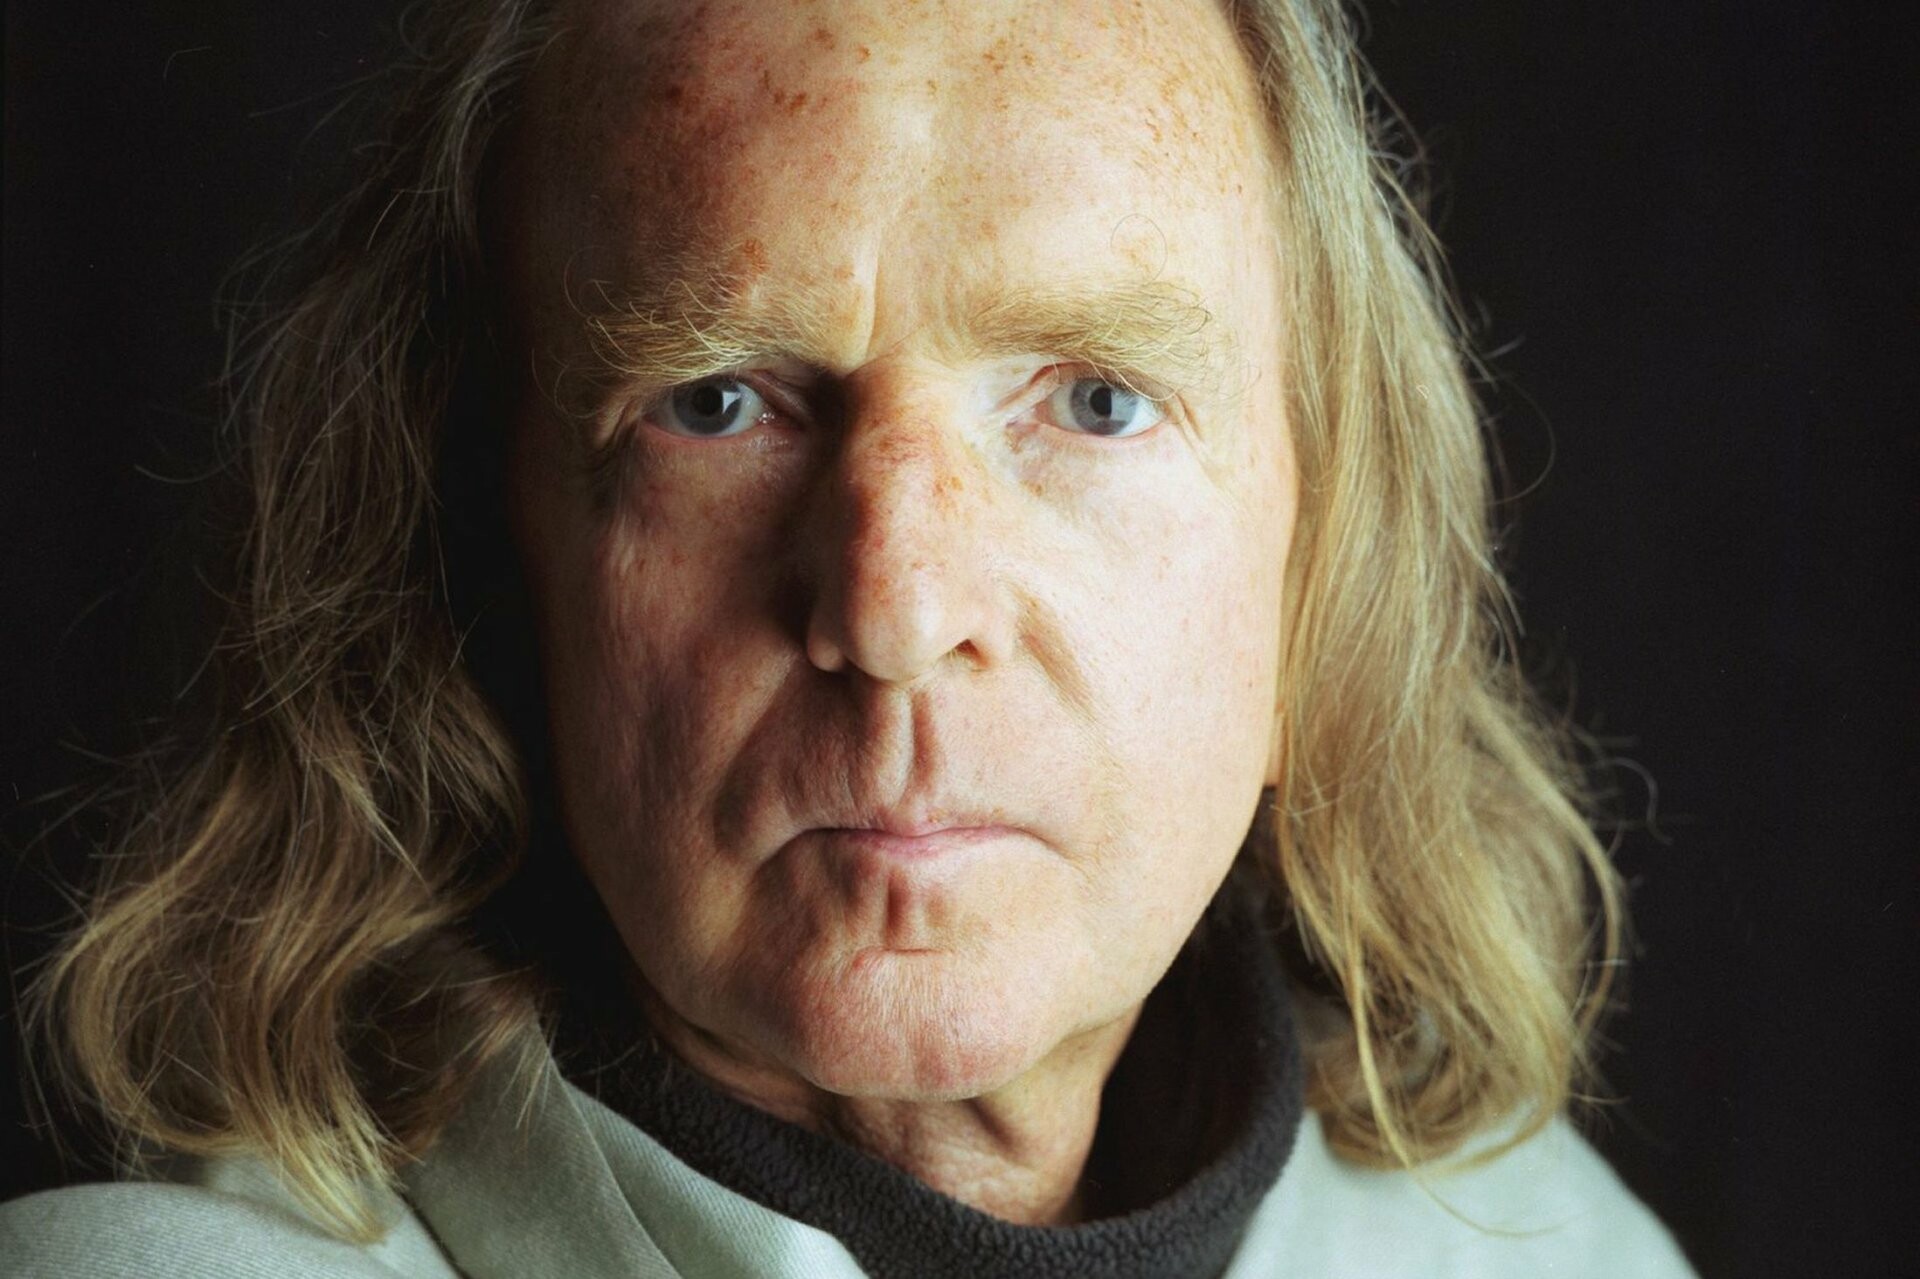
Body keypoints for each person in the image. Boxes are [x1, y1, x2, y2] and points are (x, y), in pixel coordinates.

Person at [0, 0, 1697, 1275]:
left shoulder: (1553, 1251)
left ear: (1322, 556)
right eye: (716, 403)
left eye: (1096, 401)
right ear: (477, 549)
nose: (895, 610)